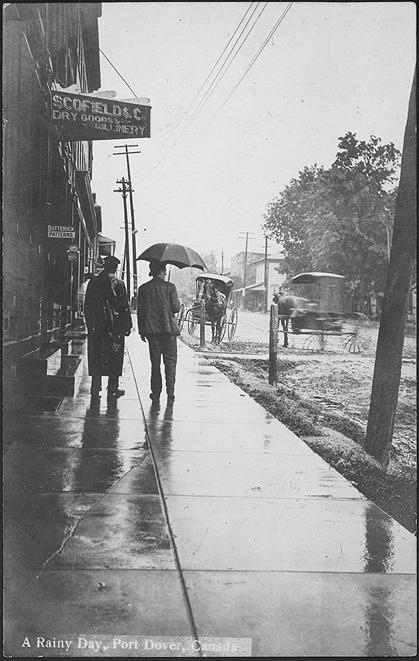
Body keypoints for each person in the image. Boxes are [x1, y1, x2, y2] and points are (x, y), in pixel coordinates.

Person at [84, 255, 132, 398]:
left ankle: (95, 388)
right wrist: (126, 326)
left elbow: (88, 305)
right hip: (115, 327)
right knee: (115, 356)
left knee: (96, 355)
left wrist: (89, 323)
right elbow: (124, 307)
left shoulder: (94, 282)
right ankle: (113, 388)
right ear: (116, 268)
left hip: (97, 326)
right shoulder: (119, 283)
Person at [137, 260, 180, 404]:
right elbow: (175, 308)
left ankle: (155, 393)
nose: (166, 272)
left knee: (155, 363)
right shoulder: (170, 287)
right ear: (161, 272)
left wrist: (142, 331)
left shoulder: (144, 288)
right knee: (170, 362)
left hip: (152, 331)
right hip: (168, 332)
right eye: (165, 270)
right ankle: (171, 393)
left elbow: (140, 312)